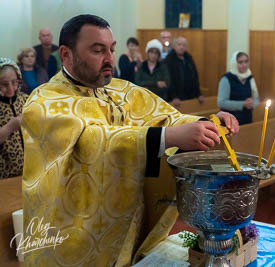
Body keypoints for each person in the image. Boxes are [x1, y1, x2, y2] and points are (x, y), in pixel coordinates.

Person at [22, 14, 238, 266]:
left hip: (127, 227)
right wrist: (168, 137)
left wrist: (208, 124)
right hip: (72, 240)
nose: (109, 59)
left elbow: (165, 117)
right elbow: (93, 140)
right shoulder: (43, 103)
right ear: (66, 54)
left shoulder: (120, 89)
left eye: (112, 49)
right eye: (98, 50)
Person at [0, 58, 28, 179]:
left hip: (30, 170)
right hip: (5, 174)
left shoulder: (26, 100)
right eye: (5, 85)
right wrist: (9, 127)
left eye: (14, 82)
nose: (11, 89)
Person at [217, 51, 260, 125]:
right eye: (240, 62)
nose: (244, 65)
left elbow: (256, 99)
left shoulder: (249, 78)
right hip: (230, 121)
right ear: (234, 63)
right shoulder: (226, 79)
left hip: (246, 119)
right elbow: (221, 103)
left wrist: (252, 102)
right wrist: (243, 104)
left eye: (246, 61)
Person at [165, 37, 204, 108]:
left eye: (184, 45)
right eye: (179, 44)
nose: (181, 47)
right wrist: (174, 97)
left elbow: (195, 77)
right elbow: (168, 80)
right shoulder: (169, 60)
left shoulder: (189, 58)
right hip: (175, 99)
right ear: (174, 46)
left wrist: (199, 94)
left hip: (190, 96)